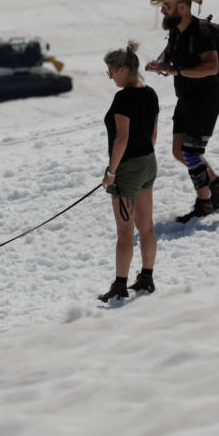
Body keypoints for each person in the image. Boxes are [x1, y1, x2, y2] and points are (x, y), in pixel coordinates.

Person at [145, 0, 219, 222]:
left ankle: (204, 203)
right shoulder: (177, 31)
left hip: (205, 99)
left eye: (167, 5)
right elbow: (170, 51)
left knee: (191, 151)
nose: (163, 10)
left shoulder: (201, 33)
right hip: (185, 98)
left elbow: (212, 67)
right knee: (179, 151)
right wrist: (159, 63)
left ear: (183, 6)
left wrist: (176, 71)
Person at [99, 41, 159, 302]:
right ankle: (146, 278)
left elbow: (121, 138)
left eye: (111, 72)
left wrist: (112, 171)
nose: (111, 77)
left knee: (125, 232)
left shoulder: (123, 99)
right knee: (146, 227)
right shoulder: (151, 93)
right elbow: (153, 134)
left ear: (123, 70)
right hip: (148, 162)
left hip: (128, 169)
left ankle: (120, 286)